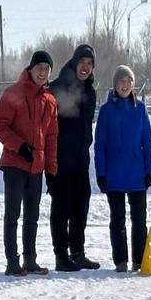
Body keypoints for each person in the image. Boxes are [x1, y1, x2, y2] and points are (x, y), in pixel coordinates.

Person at [0, 49, 59, 276]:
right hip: (14, 163)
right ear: (30, 69)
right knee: (12, 213)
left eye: (47, 69)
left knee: (32, 214)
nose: (42, 73)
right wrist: (19, 146)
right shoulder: (14, 93)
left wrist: (51, 169)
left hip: (37, 166)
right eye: (39, 68)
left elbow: (52, 137)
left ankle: (30, 259)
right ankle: (12, 261)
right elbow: (0, 127)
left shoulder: (50, 101)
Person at [47, 44, 103, 271]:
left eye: (90, 64)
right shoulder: (57, 87)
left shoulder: (90, 91)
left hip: (81, 158)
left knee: (81, 206)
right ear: (74, 62)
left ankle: (77, 252)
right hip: (60, 158)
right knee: (61, 208)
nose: (85, 67)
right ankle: (61, 255)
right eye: (82, 62)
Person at [94, 65, 151, 272]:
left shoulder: (140, 109)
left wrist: (149, 170)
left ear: (133, 84)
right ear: (115, 84)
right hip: (114, 173)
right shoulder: (106, 111)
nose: (125, 84)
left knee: (139, 219)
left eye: (128, 81)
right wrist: (101, 173)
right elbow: (100, 143)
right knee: (117, 219)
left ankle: (139, 259)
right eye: (121, 80)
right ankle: (120, 260)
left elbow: (147, 141)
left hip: (137, 172)